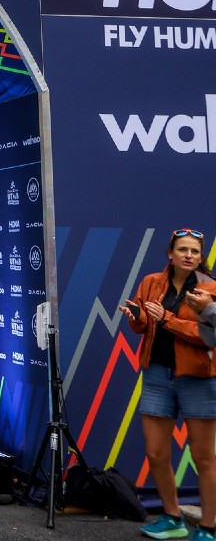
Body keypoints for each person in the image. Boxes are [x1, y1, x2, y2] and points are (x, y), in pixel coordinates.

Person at [121, 229, 216, 541]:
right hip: (157, 375)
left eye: (194, 251)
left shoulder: (209, 288)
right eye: (183, 250)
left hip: (198, 379)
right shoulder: (151, 282)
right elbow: (142, 327)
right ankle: (172, 517)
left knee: (203, 457)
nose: (189, 255)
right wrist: (137, 317)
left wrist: (166, 320)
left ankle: (207, 528)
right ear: (170, 254)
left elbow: (208, 336)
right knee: (156, 452)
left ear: (200, 258)